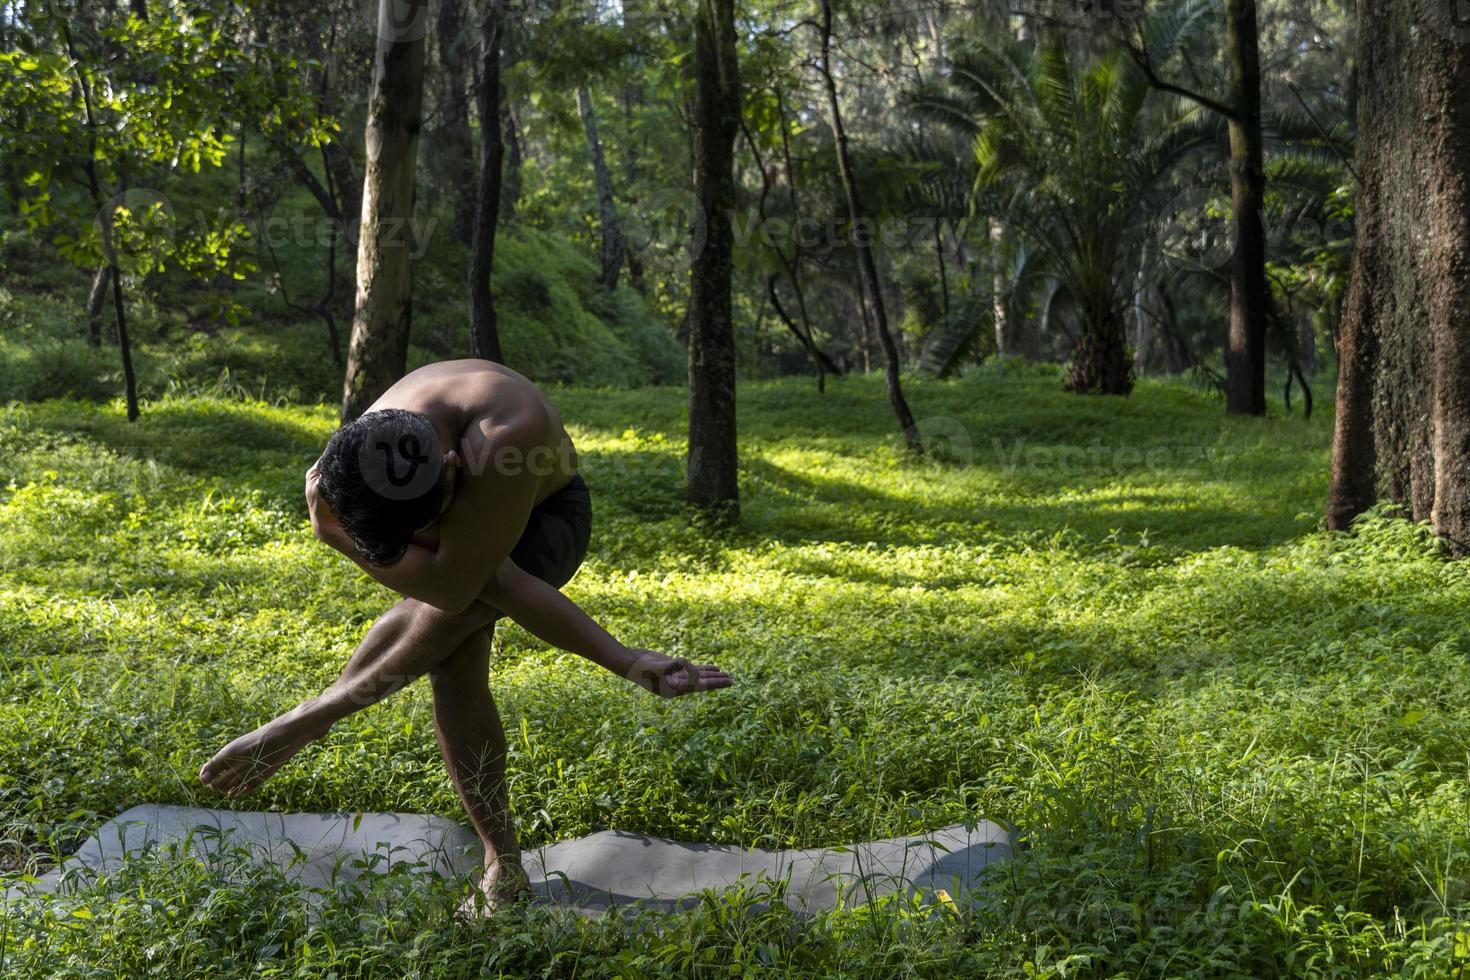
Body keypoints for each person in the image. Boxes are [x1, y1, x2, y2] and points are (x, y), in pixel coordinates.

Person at [198, 359, 733, 910]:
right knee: (452, 657)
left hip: (547, 518)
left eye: (425, 530)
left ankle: (311, 723)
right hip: (458, 511)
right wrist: (339, 528)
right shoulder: (358, 450)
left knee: (451, 629)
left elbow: (469, 587)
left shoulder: (507, 440)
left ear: (450, 467)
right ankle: (499, 856)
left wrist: (624, 658)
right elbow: (440, 579)